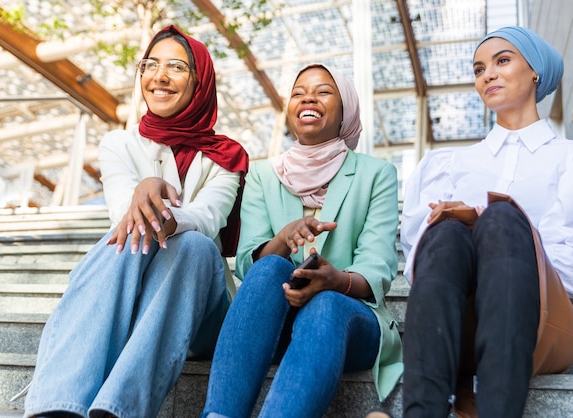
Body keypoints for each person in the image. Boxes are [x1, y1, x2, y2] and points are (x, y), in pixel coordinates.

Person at [23, 25, 249, 418]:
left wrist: (159, 205)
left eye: (177, 67)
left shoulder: (224, 157)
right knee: (128, 232)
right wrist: (143, 190)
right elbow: (122, 221)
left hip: (198, 307)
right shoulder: (119, 144)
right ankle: (59, 409)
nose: (159, 76)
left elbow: (208, 218)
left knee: (195, 244)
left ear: (201, 82)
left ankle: (117, 409)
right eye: (150, 64)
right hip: (128, 291)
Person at [400, 25, 573, 418]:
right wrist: (454, 225)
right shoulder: (448, 164)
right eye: (479, 69)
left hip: (537, 322)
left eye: (502, 61)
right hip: (455, 325)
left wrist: (496, 227)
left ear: (535, 73)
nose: (488, 75)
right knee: (446, 230)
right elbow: (419, 272)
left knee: (501, 218)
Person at [200, 64, 403, 418]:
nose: (308, 96)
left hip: (351, 320)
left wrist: (335, 281)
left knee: (325, 305)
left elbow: (378, 266)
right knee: (270, 267)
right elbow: (248, 261)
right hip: (275, 321)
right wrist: (282, 238)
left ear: (346, 110)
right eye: (298, 92)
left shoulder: (376, 174)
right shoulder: (262, 175)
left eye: (324, 91)